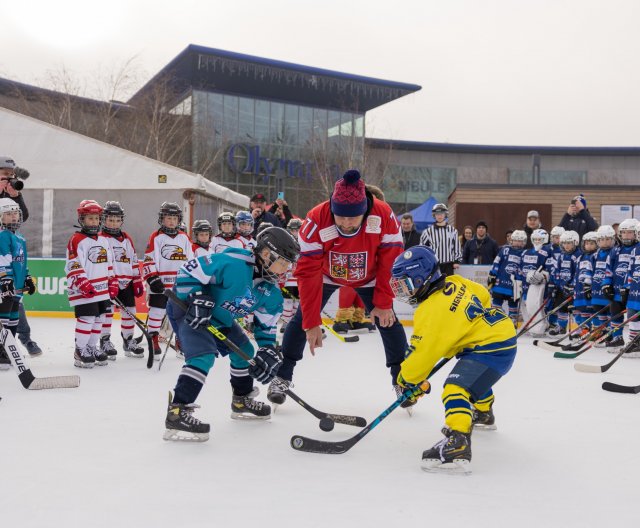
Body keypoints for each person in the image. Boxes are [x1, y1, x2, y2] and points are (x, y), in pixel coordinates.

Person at [267, 169, 408, 407]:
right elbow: (307, 271)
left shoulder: (383, 215)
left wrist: (383, 303)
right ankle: (283, 375)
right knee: (301, 320)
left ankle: (402, 380)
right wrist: (312, 322)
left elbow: (391, 261)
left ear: (364, 210)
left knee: (388, 321)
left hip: (370, 277)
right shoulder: (316, 219)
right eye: (340, 217)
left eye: (352, 218)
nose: (346, 223)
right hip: (325, 275)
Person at [163, 227, 300, 441]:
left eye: (288, 264)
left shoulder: (271, 292)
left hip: (220, 317)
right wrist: (196, 297)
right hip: (189, 310)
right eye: (283, 262)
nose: (285, 269)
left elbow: (266, 327)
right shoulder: (234, 263)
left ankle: (241, 399)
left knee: (245, 351)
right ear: (266, 254)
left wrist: (267, 350)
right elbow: (189, 270)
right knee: (203, 356)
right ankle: (177, 411)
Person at [390, 246, 517, 475]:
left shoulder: (430, 310)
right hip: (499, 335)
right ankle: (484, 414)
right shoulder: (456, 281)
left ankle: (458, 443)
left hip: (490, 345)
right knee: (473, 379)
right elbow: (483, 295)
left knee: (455, 388)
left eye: (406, 285)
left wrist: (406, 380)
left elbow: (422, 355)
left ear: (422, 279)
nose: (403, 292)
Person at [65, 200, 116, 368]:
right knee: (86, 319)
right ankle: (80, 350)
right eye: (90, 218)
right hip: (84, 290)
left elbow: (109, 263)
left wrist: (112, 280)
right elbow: (73, 263)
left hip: (101, 290)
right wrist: (82, 283)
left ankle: (91, 347)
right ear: (82, 220)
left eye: (96, 218)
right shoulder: (76, 239)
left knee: (99, 319)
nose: (93, 221)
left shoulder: (103, 240)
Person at [143, 202, 193, 359]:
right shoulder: (156, 237)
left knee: (180, 315)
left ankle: (180, 340)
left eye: (174, 218)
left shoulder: (184, 237)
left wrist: (192, 279)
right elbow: (149, 259)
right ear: (161, 219)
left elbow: (191, 260)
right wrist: (152, 278)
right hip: (161, 285)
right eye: (168, 218)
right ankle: (153, 340)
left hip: (179, 285)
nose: (171, 221)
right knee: (157, 313)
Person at [99, 201, 146, 359]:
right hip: (108, 283)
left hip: (127, 283)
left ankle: (128, 340)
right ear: (104, 219)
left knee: (130, 312)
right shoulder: (100, 239)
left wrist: (137, 279)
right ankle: (104, 341)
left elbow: (132, 259)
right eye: (111, 220)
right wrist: (106, 280)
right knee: (107, 313)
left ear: (122, 220)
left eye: (117, 220)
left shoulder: (126, 239)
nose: (114, 223)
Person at [0, 198, 35, 370]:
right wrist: (5, 280)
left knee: (14, 317)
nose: (13, 217)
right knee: (4, 318)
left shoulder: (20, 237)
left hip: (17, 286)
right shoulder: (2, 236)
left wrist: (27, 277)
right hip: (5, 285)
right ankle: (1, 350)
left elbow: (21, 262)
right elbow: (3, 260)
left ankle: (10, 348)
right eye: (8, 214)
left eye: (15, 213)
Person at [607, 219, 638, 351]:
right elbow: (609, 269)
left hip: (634, 290)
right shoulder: (616, 250)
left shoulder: (636, 249)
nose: (626, 235)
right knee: (616, 311)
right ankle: (618, 338)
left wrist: (627, 287)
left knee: (634, 314)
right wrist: (606, 284)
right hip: (620, 289)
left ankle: (636, 341)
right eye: (624, 232)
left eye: (630, 232)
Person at [487, 230, 527, 326]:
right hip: (499, 282)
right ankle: (496, 319)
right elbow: (497, 262)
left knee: (513, 304)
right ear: (511, 240)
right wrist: (492, 275)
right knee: (496, 301)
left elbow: (524, 269)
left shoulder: (525, 253)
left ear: (524, 242)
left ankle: (512, 321)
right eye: (515, 240)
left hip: (515, 285)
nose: (517, 243)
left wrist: (521, 281)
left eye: (520, 241)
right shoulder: (505, 249)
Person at [547, 231, 581, 336]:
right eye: (564, 243)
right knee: (560, 307)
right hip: (562, 287)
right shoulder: (561, 256)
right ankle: (561, 327)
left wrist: (572, 285)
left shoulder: (578, 255)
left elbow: (578, 272)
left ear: (575, 242)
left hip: (574, 289)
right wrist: (556, 284)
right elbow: (556, 271)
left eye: (569, 243)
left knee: (575, 308)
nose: (566, 245)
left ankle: (580, 328)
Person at [419, 203, 462, 275]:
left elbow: (457, 247)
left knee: (448, 285)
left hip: (448, 264)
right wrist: (425, 261)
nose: (440, 216)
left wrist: (457, 261)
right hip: (434, 264)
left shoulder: (452, 230)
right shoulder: (427, 232)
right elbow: (422, 248)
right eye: (437, 214)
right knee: (435, 285)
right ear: (434, 215)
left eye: (442, 213)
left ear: (445, 215)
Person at [590, 225, 615, 347]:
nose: (604, 242)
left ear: (613, 239)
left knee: (610, 311)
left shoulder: (615, 252)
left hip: (608, 288)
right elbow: (591, 270)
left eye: (607, 239)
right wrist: (587, 284)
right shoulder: (595, 255)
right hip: (596, 288)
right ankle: (602, 331)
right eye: (601, 240)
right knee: (598, 310)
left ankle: (610, 332)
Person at [280, 218, 303, 333]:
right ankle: (285, 321)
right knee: (288, 301)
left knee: (298, 301)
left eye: (298, 230)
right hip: (288, 279)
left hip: (300, 279)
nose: (295, 233)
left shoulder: (305, 243)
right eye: (293, 230)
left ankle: (294, 322)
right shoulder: (285, 243)